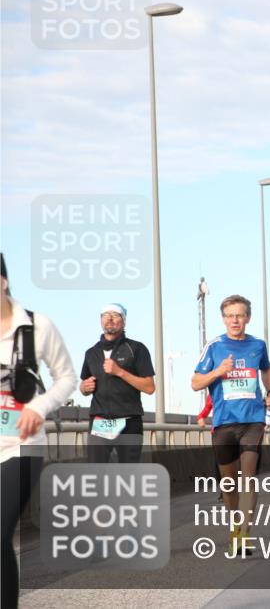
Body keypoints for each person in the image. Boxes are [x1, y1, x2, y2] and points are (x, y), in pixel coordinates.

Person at [1, 254, 76, 608]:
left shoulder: (36, 326)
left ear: (3, 281)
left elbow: (66, 378)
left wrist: (39, 407)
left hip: (22, 446)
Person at [192, 294, 270, 556]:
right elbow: (195, 383)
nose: (235, 320)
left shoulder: (258, 345)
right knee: (228, 484)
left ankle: (245, 534)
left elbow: (267, 368)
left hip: (252, 420)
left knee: (248, 478)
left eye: (240, 315)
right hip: (225, 423)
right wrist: (219, 371)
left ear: (248, 318)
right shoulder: (214, 346)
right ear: (224, 319)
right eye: (230, 316)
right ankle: (234, 525)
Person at [79, 303, 155, 463]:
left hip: (129, 421)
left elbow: (149, 387)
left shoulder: (136, 348)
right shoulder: (91, 353)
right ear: (100, 320)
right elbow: (84, 385)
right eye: (105, 315)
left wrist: (120, 372)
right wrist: (84, 388)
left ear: (124, 321)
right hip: (100, 421)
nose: (110, 319)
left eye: (115, 315)